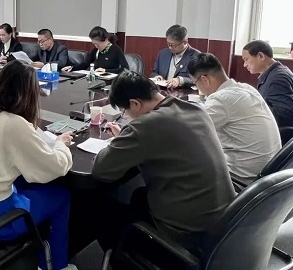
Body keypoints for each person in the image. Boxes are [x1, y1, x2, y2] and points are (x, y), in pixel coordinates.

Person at [0, 60, 75, 270]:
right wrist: (61, 144)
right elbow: (56, 166)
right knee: (61, 196)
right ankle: (57, 265)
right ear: (29, 93)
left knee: (24, 183)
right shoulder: (13, 124)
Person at [93, 71, 235, 252]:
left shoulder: (144, 126)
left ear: (135, 103)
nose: (126, 116)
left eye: (124, 111)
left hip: (190, 232)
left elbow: (101, 169)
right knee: (139, 196)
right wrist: (127, 138)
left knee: (101, 213)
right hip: (225, 221)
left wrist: (123, 140)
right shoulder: (194, 108)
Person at [188, 53, 281, 182]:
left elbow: (189, 130)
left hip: (241, 179)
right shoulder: (247, 88)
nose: (197, 87)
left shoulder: (220, 99)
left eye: (195, 83)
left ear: (204, 79)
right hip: (267, 174)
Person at [242, 40, 293, 128]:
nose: (244, 65)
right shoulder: (274, 73)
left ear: (261, 56)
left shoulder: (277, 78)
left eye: (246, 59)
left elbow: (285, 115)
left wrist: (252, 109)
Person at [62, 26, 128, 73]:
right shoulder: (96, 50)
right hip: (96, 79)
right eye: (94, 44)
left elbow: (125, 69)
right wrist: (72, 68)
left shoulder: (116, 50)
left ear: (106, 40)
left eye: (98, 44)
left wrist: (106, 71)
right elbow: (85, 64)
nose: (96, 46)